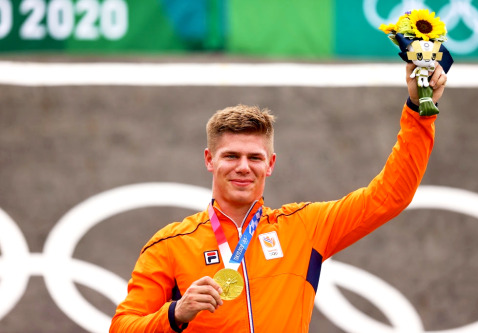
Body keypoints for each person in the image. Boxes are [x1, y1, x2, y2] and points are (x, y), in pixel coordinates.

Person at [110, 62, 447, 332]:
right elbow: (122, 327)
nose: (243, 167)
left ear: (270, 164)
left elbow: (390, 196)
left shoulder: (302, 227)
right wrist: (176, 314)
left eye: (254, 158)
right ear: (209, 160)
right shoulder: (169, 245)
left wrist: (419, 109)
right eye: (231, 156)